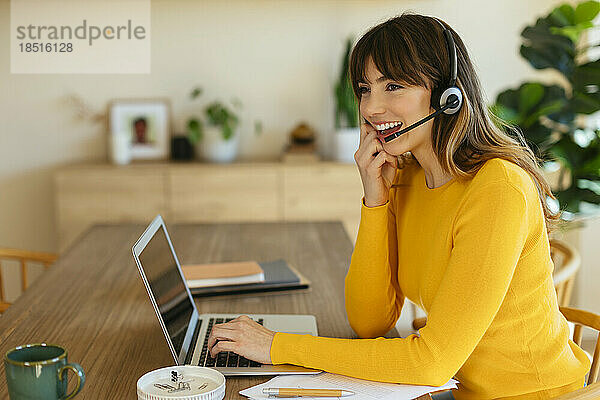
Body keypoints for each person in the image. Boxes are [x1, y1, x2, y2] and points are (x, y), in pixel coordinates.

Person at [207, 13, 591, 399]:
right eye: (364, 89)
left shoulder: (498, 188)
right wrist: (376, 200)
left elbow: (430, 363)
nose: (372, 107)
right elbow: (370, 321)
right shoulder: (406, 177)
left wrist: (276, 345)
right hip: (453, 389)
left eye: (392, 86)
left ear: (448, 96)